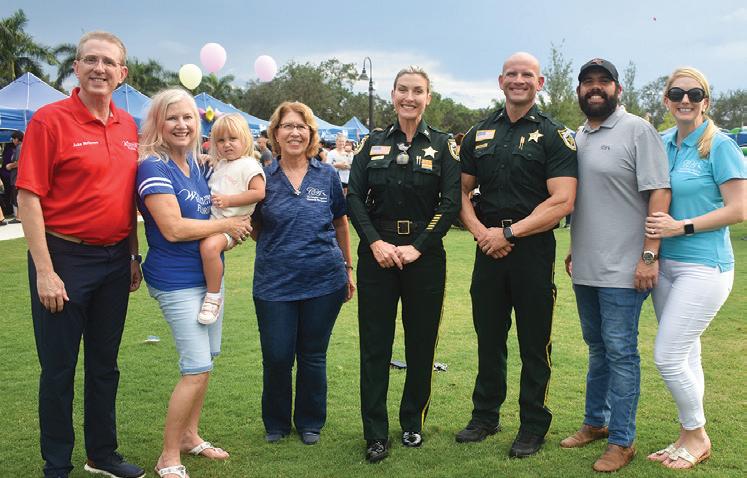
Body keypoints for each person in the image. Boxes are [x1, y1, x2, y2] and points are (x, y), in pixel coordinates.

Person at [15, 31, 145, 478]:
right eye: (90, 59)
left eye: (108, 62)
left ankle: (102, 454)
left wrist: (132, 255)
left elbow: (126, 198)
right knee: (58, 368)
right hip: (63, 258)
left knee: (105, 366)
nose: (99, 69)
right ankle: (57, 463)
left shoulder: (129, 127)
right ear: (76, 67)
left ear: (122, 73)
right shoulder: (49, 121)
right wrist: (45, 271)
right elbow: (28, 197)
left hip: (115, 261)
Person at [456, 52, 577, 458]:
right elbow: (459, 192)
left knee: (533, 343)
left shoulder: (554, 135)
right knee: (489, 338)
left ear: (539, 83)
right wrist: (483, 234)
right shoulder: (478, 133)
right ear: (500, 81)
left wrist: (508, 233)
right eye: (512, 74)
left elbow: (562, 200)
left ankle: (532, 425)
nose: (519, 80)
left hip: (532, 250)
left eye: (527, 74)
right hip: (487, 249)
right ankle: (485, 416)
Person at [561, 58, 671, 472]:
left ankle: (623, 441)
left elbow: (660, 193)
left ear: (617, 89)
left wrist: (649, 255)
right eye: (587, 82)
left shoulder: (637, 130)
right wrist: (575, 247)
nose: (595, 88)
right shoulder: (578, 137)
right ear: (579, 91)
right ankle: (596, 422)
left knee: (621, 352)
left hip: (626, 269)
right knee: (598, 348)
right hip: (586, 266)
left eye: (603, 82)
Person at [347, 66, 461, 463]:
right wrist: (375, 242)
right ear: (392, 95)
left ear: (428, 97)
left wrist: (418, 246)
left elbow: (450, 203)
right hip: (376, 254)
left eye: (417, 91)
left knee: (421, 343)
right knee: (374, 346)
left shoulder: (444, 146)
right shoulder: (371, 143)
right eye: (402, 90)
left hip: (423, 258)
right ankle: (375, 433)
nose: (409, 97)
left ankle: (412, 420)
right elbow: (354, 197)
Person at [136, 88, 252, 478]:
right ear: (158, 123)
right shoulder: (153, 167)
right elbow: (172, 228)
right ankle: (169, 456)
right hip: (176, 280)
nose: (182, 125)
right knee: (196, 366)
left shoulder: (197, 166)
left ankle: (189, 437)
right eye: (172, 117)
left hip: (207, 279)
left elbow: (223, 207)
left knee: (207, 362)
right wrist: (228, 225)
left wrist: (231, 232)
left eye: (188, 117)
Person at [644, 67, 745, 470]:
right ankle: (686, 436)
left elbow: (739, 209)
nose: (685, 100)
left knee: (668, 356)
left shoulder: (719, 145)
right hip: (665, 264)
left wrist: (681, 226)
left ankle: (697, 434)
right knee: (687, 354)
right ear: (666, 100)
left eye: (694, 93)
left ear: (706, 100)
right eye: (676, 93)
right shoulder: (661, 142)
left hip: (705, 267)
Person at [251, 101, 355, 447]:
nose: (294, 133)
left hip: (324, 280)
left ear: (311, 134)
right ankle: (277, 423)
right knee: (277, 356)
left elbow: (340, 223)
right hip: (274, 283)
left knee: (313, 355)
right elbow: (254, 227)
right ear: (276, 134)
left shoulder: (326, 175)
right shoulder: (262, 178)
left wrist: (348, 268)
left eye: (301, 127)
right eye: (287, 126)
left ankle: (310, 421)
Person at [197, 113, 265, 325]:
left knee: (209, 248)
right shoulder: (221, 164)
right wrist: (206, 159)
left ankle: (213, 297)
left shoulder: (250, 165)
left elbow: (258, 192)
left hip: (232, 225)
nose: (227, 144)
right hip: (215, 222)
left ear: (245, 139)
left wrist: (229, 200)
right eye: (221, 140)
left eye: (233, 139)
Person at [6, 131, 23, 222]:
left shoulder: (19, 147)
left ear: (17, 139)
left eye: (13, 139)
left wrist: (10, 166)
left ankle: (19, 217)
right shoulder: (20, 147)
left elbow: (19, 162)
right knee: (17, 196)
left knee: (17, 196)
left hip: (18, 176)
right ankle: (19, 216)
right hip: (17, 176)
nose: (12, 141)